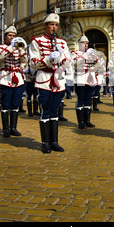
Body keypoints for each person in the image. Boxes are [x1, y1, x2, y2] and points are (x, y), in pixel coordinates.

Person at [29, 13, 71, 153]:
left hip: (58, 79)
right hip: (44, 79)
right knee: (45, 111)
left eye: (56, 25)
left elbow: (68, 63)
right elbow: (33, 63)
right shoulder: (36, 41)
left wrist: (62, 58)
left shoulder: (62, 43)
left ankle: (54, 141)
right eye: (51, 24)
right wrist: (48, 59)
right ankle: (45, 143)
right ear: (45, 26)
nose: (54, 27)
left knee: (55, 111)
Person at [0, 26, 28, 137]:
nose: (12, 37)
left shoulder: (18, 48)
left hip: (18, 79)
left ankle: (13, 128)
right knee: (5, 104)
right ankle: (5, 129)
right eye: (10, 35)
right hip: (6, 78)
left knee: (15, 104)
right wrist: (11, 46)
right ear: (5, 36)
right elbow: (0, 56)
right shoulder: (1, 47)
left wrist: (21, 51)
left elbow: (25, 61)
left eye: (14, 36)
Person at [71, 34, 98, 129]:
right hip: (80, 79)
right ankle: (81, 122)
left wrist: (95, 58)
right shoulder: (75, 53)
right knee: (80, 100)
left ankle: (87, 120)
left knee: (88, 100)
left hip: (90, 79)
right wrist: (84, 57)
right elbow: (73, 63)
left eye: (87, 43)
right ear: (79, 44)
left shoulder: (90, 53)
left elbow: (96, 64)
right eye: (83, 43)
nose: (85, 45)